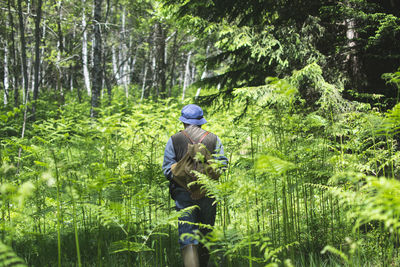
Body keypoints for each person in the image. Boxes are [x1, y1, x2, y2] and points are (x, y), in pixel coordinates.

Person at [162, 104, 228, 267]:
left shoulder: (174, 140)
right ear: (201, 122)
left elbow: (167, 170)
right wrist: (203, 188)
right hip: (208, 195)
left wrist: (187, 187)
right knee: (206, 233)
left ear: (183, 122)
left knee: (187, 236)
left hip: (184, 196)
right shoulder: (214, 139)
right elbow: (222, 165)